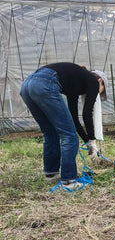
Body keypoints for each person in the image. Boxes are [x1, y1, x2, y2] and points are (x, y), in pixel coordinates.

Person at [20, 62, 108, 190]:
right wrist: (92, 140)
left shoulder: (76, 82)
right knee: (69, 136)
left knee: (50, 132)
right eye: (102, 91)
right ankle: (69, 181)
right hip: (45, 83)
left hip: (27, 85)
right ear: (100, 81)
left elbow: (73, 118)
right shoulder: (93, 81)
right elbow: (86, 114)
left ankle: (51, 174)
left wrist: (87, 141)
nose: (98, 95)